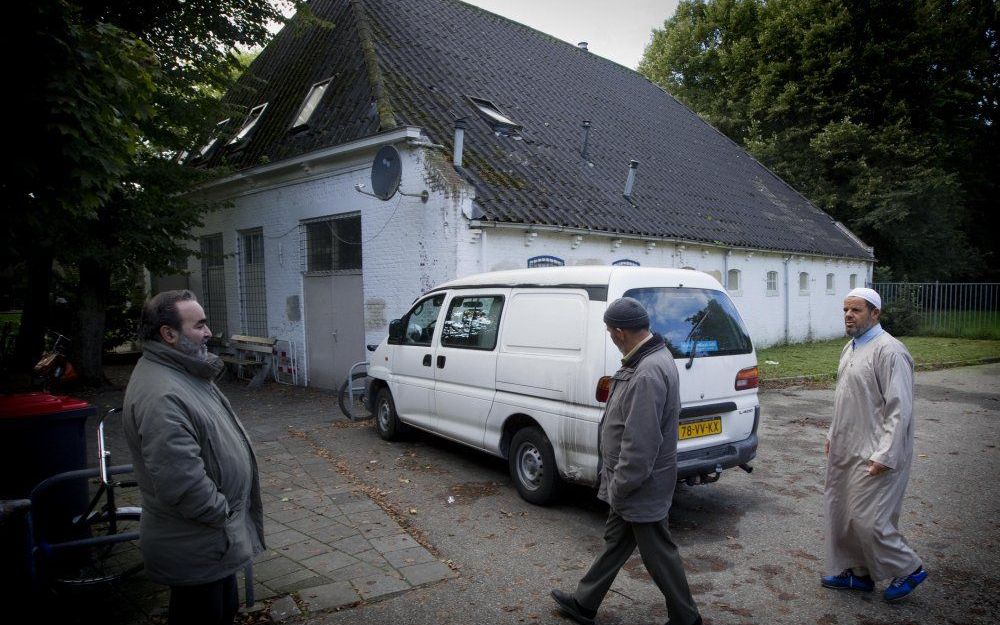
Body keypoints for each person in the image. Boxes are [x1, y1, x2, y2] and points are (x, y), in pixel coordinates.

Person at [551, 297, 702, 625]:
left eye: (609, 331)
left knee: (658, 553)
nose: (609, 336)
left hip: (638, 483)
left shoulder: (647, 371)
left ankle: (687, 618)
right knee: (616, 543)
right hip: (636, 481)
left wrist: (620, 487)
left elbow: (640, 444)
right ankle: (584, 602)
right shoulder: (649, 358)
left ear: (620, 332)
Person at [124, 290, 265, 625]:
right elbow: (181, 482)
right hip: (199, 543)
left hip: (212, 542)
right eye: (199, 325)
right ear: (168, 334)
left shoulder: (185, 372)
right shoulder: (162, 393)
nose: (208, 332)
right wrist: (223, 513)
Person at [822, 287, 927, 602]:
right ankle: (860, 574)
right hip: (848, 446)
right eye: (845, 310)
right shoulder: (850, 348)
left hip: (878, 452)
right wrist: (832, 434)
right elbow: (847, 398)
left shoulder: (890, 351)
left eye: (855, 310)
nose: (848, 316)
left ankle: (910, 567)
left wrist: (886, 454)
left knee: (870, 519)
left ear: (875, 313)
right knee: (843, 513)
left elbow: (900, 409)